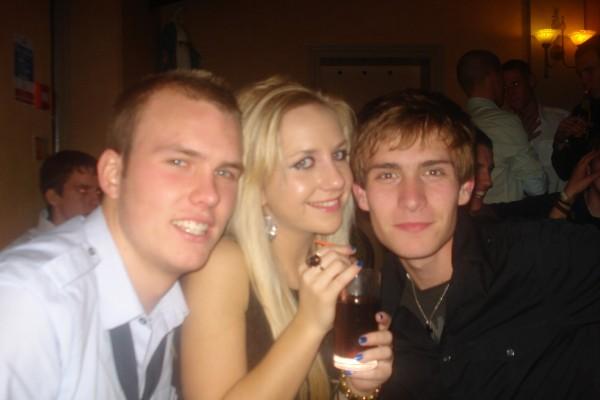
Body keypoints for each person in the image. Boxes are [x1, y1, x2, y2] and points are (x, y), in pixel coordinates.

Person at [0, 70, 243, 399]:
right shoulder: (27, 303)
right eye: (178, 162)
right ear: (113, 174)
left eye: (225, 172)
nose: (210, 195)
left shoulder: (162, 303)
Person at [350, 89, 600, 399]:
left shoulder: (540, 257)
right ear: (362, 195)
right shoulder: (371, 311)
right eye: (388, 175)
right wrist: (361, 390)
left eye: (433, 172)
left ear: (465, 188)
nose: (411, 199)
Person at [180, 77, 392, 400]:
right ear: (257, 184)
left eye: (339, 155)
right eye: (304, 162)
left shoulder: (344, 257)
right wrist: (309, 324)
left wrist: (359, 386)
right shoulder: (221, 265)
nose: (337, 180)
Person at [457, 50, 546, 203]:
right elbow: (537, 187)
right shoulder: (504, 122)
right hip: (503, 215)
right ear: (493, 77)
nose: (505, 88)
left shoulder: (455, 124)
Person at [8, 150, 101, 247]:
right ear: (53, 197)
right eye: (83, 191)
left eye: (98, 192)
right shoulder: (27, 251)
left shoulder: (100, 239)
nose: (96, 201)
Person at [502, 59, 569, 192]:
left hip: (561, 200)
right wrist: (520, 140)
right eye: (505, 87)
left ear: (531, 81)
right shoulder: (503, 129)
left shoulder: (561, 119)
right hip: (522, 203)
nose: (510, 92)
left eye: (515, 84)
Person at [552, 35, 600, 180]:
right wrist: (560, 141)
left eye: (589, 71)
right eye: (580, 74)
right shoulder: (582, 111)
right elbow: (565, 173)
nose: (583, 80)